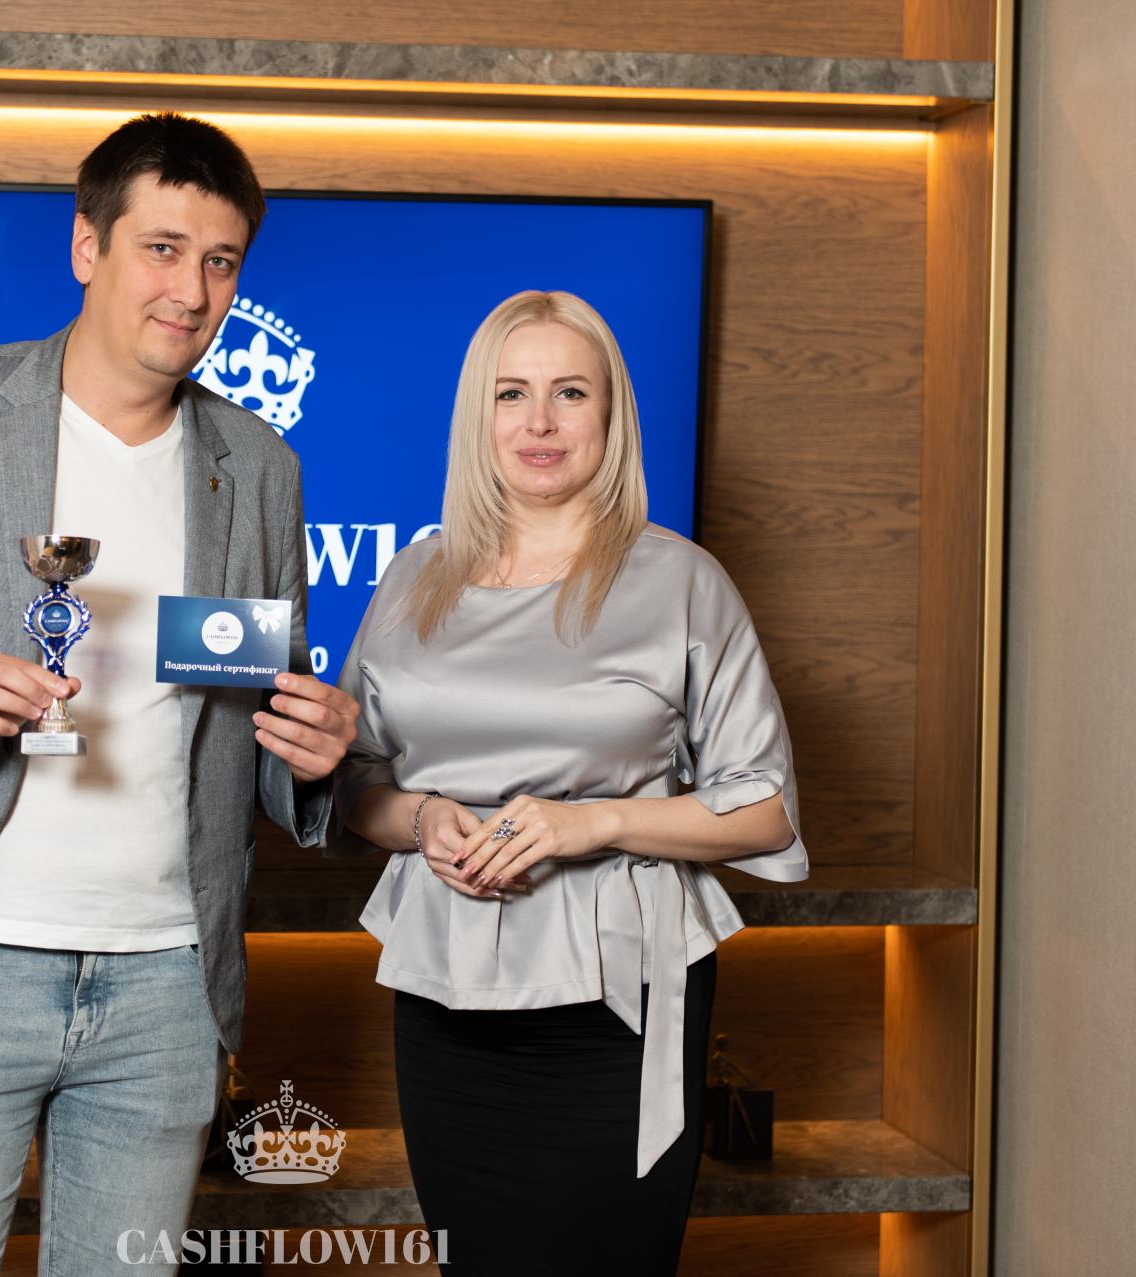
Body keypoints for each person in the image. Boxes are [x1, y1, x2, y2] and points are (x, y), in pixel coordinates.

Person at [0, 113, 359, 1276]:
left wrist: (320, 752)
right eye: (162, 248)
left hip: (164, 988)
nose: (191, 290)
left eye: (221, 260)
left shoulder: (261, 467)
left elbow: (256, 731)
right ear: (87, 246)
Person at [331, 290, 808, 1274]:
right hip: (445, 997)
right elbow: (355, 783)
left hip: (620, 1001)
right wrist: (423, 819)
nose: (539, 422)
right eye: (511, 393)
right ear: (479, 416)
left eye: (569, 392)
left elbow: (765, 808)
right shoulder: (413, 578)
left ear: (610, 413)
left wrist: (589, 823)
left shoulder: (682, 580)